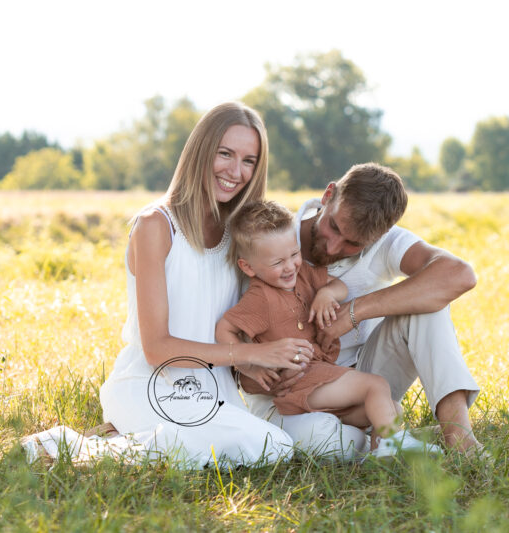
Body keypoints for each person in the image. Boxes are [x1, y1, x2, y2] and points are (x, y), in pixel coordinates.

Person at [25, 102, 304, 469]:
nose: (235, 172)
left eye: (249, 161)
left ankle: (111, 443)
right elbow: (157, 348)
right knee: (264, 444)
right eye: (225, 154)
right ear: (201, 151)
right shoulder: (156, 225)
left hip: (214, 392)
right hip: (149, 384)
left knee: (272, 447)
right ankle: (68, 446)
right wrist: (252, 355)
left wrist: (254, 365)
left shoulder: (241, 236)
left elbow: (228, 321)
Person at [239, 162, 483, 455]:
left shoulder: (385, 242)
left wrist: (353, 312)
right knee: (326, 444)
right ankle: (389, 435)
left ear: (379, 236)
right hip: (286, 392)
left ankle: (457, 434)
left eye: (352, 244)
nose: (332, 248)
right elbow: (232, 334)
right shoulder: (270, 240)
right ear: (329, 195)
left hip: (360, 381)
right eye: (333, 227)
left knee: (430, 304)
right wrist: (262, 370)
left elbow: (460, 275)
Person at [215, 201, 440, 458]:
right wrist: (249, 364)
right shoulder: (260, 299)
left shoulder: (304, 275)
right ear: (248, 267)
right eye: (278, 262)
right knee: (375, 386)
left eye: (293, 255)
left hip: (320, 376)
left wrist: (326, 292)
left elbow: (340, 286)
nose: (290, 266)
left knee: (392, 409)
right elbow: (225, 328)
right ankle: (392, 443)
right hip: (300, 381)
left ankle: (383, 455)